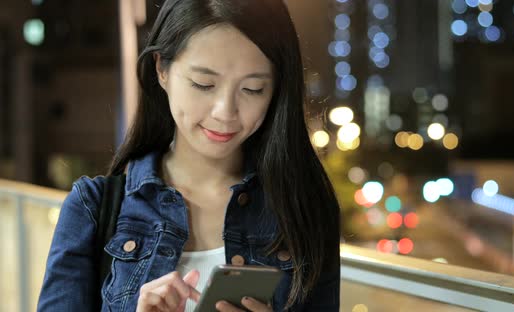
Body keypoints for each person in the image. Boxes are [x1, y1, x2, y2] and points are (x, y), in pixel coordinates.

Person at [37, 0, 341, 311]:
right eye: (203, 84)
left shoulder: (304, 207)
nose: (225, 112)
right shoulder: (92, 208)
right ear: (161, 69)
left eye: (252, 89)